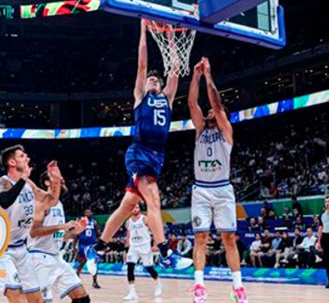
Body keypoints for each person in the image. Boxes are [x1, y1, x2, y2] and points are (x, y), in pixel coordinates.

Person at [91, 20, 189, 269]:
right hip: (139, 153)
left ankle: (98, 248)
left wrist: (169, 38)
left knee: (127, 206)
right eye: (151, 80)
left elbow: (175, 68)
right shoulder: (139, 96)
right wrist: (144, 31)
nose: (154, 80)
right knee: (154, 200)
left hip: (157, 156)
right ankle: (166, 253)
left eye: (157, 80)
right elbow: (142, 63)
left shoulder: (167, 98)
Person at [188, 57, 247, 302]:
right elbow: (192, 103)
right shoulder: (201, 130)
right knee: (200, 237)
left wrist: (209, 75)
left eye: (212, 111)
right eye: (209, 111)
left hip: (222, 189)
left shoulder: (226, 131)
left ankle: (238, 287)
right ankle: (200, 285)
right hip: (201, 189)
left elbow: (216, 103)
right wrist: (195, 76)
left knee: (229, 239)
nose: (209, 111)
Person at [0, 145, 61, 303]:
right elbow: (5, 201)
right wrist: (22, 179)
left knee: (37, 300)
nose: (27, 158)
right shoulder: (2, 182)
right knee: (17, 297)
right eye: (22, 156)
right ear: (12, 162)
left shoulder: (28, 184)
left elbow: (51, 200)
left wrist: (56, 181)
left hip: (21, 248)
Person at [28, 171, 90, 303]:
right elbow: (33, 232)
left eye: (61, 178)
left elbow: (59, 236)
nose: (61, 180)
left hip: (56, 257)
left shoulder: (59, 204)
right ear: (47, 182)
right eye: (56, 178)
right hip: (39, 258)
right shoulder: (42, 202)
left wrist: (75, 232)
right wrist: (61, 226)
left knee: (82, 298)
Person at [123, 203, 162, 301]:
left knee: (149, 268)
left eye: (136, 207)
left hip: (145, 247)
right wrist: (127, 248)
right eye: (133, 208)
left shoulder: (145, 219)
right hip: (134, 247)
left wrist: (155, 245)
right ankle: (132, 292)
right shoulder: (128, 222)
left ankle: (158, 284)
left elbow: (155, 231)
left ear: (139, 209)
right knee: (130, 268)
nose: (135, 209)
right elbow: (128, 235)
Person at [75, 209, 100, 289]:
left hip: (91, 245)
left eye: (89, 212)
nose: (88, 213)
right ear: (84, 213)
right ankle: (76, 278)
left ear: (91, 213)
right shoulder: (81, 222)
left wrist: (98, 243)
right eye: (86, 212)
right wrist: (74, 246)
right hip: (82, 245)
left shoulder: (94, 222)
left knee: (93, 264)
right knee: (82, 262)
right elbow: (76, 235)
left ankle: (95, 282)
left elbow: (98, 233)